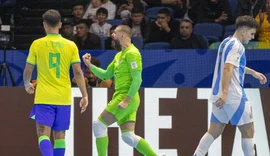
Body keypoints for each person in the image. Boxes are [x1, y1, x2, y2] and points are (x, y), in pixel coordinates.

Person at [82, 25, 164, 156]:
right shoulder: (119, 55)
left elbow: (137, 80)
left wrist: (126, 100)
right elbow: (105, 76)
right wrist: (89, 65)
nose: (112, 35)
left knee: (98, 125)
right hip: (123, 97)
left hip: (126, 97)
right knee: (128, 137)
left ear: (122, 35)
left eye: (114, 33)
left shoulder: (132, 53)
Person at [193, 15, 267, 156]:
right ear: (243, 31)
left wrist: (252, 72)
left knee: (214, 130)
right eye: (251, 34)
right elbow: (227, 68)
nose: (252, 38)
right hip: (233, 95)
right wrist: (226, 93)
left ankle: (198, 154)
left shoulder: (225, 42)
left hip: (217, 94)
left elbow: (234, 65)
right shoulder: (237, 46)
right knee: (248, 130)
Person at [23, 10, 88, 156]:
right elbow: (78, 73)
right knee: (60, 137)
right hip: (63, 97)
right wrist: (84, 95)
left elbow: (28, 69)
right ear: (60, 24)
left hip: (44, 96)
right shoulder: (71, 45)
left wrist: (27, 84)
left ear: (44, 25)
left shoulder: (37, 44)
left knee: (43, 134)